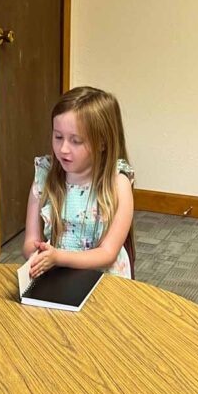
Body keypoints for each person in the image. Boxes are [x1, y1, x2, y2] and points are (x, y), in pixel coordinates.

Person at [23, 86, 135, 280]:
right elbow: (30, 241)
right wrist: (38, 255)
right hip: (57, 275)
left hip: (106, 280)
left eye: (76, 141)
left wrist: (59, 257)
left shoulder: (117, 183)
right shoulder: (45, 175)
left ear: (102, 142)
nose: (63, 149)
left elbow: (108, 254)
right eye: (58, 137)